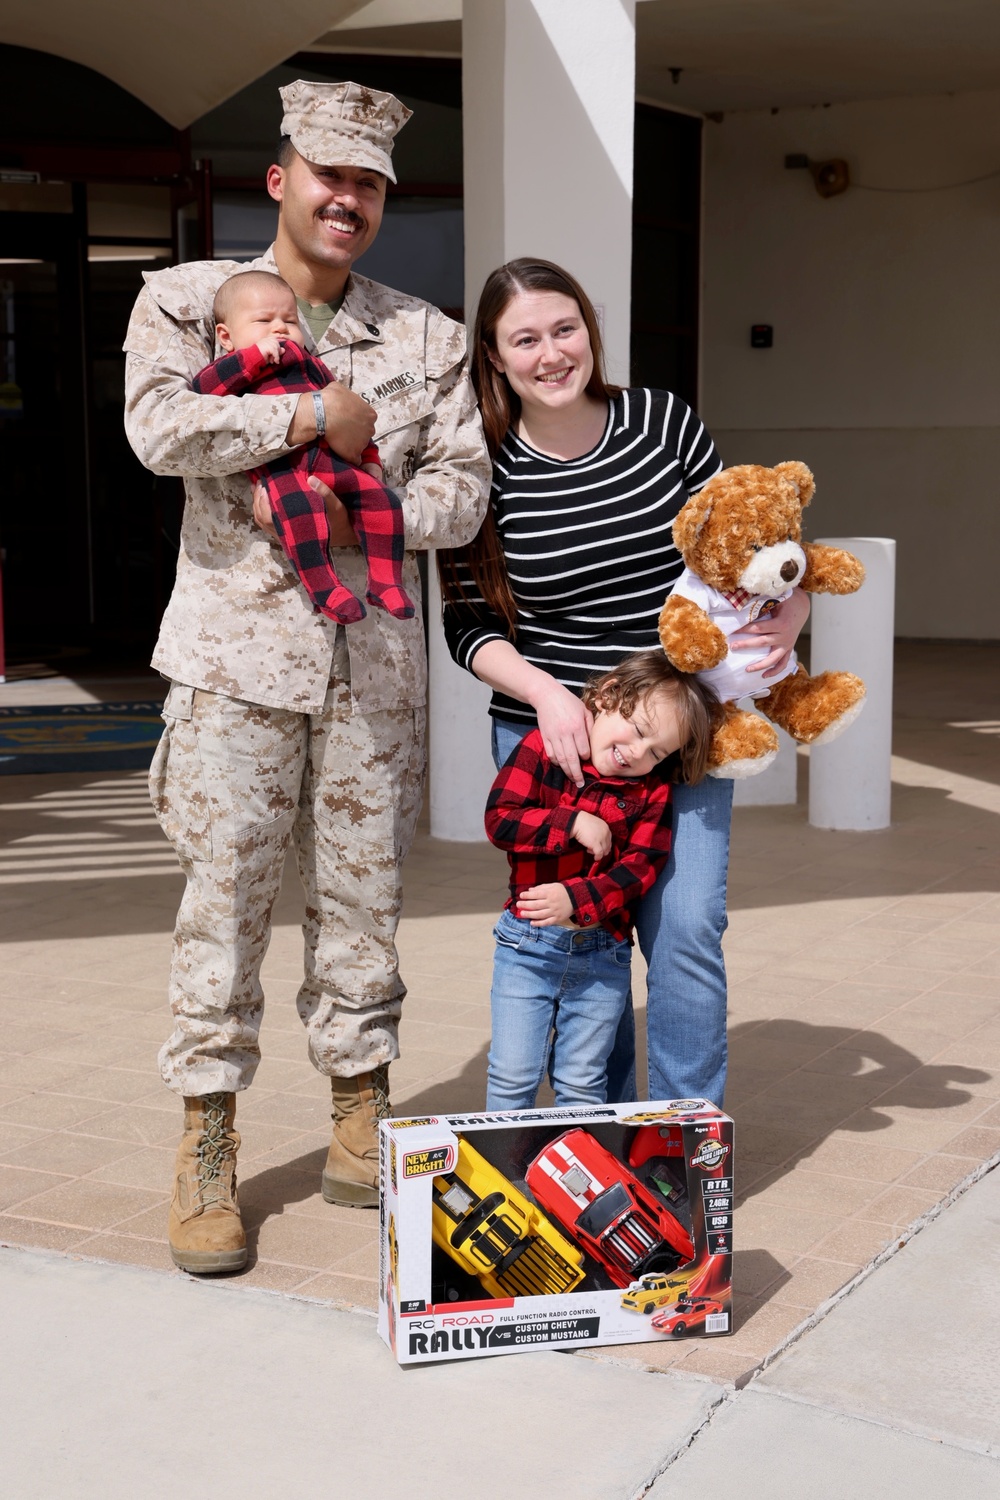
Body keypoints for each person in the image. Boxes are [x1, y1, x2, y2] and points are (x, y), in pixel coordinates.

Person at [124, 79, 490, 1274]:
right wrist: (303, 426)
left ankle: (356, 1117)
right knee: (222, 909)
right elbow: (160, 433)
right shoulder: (183, 303)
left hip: (370, 667)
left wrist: (362, 469)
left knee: (363, 904)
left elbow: (461, 493)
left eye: (371, 184)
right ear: (278, 180)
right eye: (330, 176)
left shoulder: (427, 336)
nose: (350, 200)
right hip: (234, 664)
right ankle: (207, 1147)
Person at [439, 258, 809, 1109]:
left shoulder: (661, 422)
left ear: (590, 330)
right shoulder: (480, 464)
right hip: (553, 731)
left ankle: (680, 1140)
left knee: (683, 932)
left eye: (564, 328)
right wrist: (546, 694)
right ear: (495, 357)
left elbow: (745, 538)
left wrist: (790, 615)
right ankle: (600, 1137)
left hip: (678, 723)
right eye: (524, 339)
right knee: (584, 935)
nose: (551, 353)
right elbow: (465, 619)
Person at [485, 650, 718, 1109]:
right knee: (512, 1074)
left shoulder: (651, 792)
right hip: (527, 947)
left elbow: (639, 870)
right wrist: (570, 821)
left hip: (603, 957)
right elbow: (500, 821)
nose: (638, 753)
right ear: (609, 695)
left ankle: (580, 1177)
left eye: (656, 752)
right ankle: (504, 1172)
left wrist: (577, 897)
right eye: (638, 731)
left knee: (583, 1083)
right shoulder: (541, 749)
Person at [192, 268, 414, 624]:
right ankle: (325, 590)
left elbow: (348, 411)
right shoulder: (232, 367)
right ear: (226, 336)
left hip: (328, 458)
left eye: (289, 320)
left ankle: (385, 582)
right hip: (281, 467)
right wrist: (252, 358)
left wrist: (370, 459)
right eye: (264, 320)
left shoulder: (309, 362)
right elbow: (203, 390)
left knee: (381, 499)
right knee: (300, 513)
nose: (279, 329)